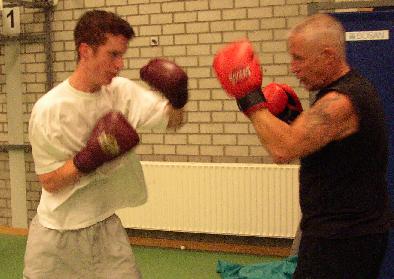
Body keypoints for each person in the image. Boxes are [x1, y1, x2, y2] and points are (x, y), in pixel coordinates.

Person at [213, 13, 390, 278]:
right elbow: (298, 150)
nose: (293, 67)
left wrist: (247, 95)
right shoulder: (338, 94)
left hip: (343, 237)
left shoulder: (342, 101)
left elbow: (283, 149)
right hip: (340, 231)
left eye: (299, 58)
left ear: (328, 56)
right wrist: (290, 119)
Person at [24, 10, 188, 279]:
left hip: (105, 226)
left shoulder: (121, 91)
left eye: (122, 55)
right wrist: (92, 156)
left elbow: (173, 122)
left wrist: (178, 99)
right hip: (58, 235)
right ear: (85, 51)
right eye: (113, 55)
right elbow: (50, 182)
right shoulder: (50, 109)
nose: (120, 64)